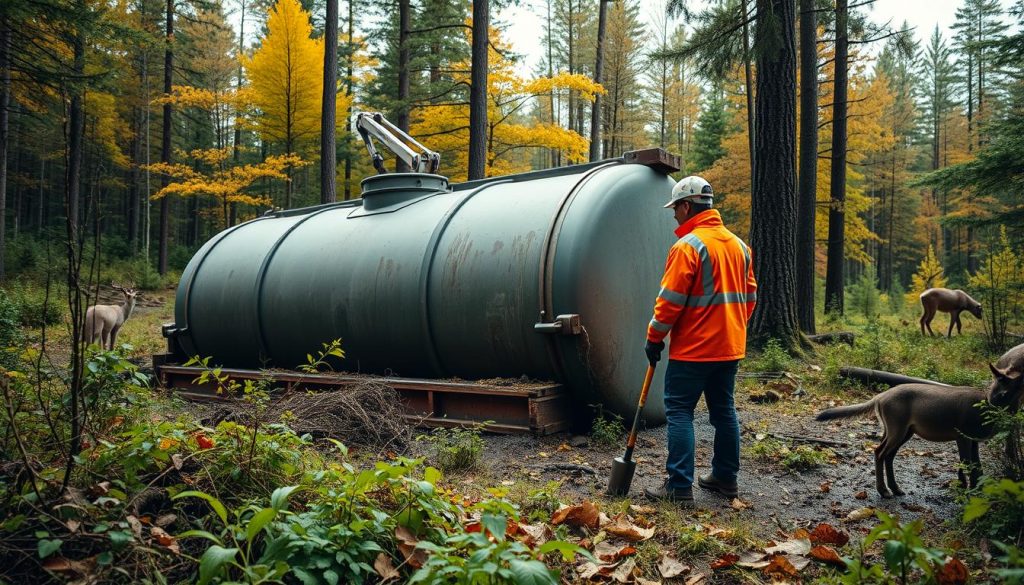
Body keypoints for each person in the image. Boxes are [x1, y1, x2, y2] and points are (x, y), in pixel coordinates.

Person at [643, 176, 757, 503]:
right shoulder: (739, 246)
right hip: (729, 348)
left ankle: (679, 486)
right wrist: (731, 327)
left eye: (676, 209)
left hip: (692, 351)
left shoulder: (688, 247)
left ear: (687, 205)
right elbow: (749, 297)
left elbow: (670, 301)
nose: (674, 215)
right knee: (724, 412)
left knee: (679, 411)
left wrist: (655, 338)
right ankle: (725, 479)